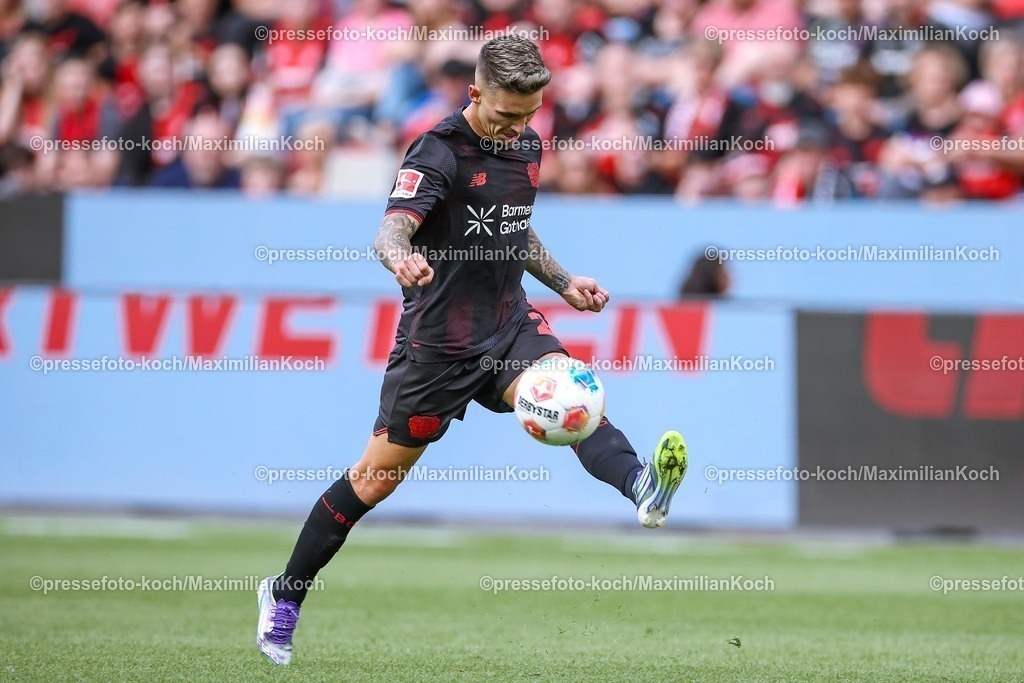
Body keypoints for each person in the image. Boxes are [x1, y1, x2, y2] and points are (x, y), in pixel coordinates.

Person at [255, 36, 689, 667]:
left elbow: (514, 226)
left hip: (508, 323)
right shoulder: (438, 152)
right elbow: (392, 226)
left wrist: (564, 282)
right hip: (438, 346)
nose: (519, 128)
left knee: (570, 395)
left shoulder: (529, 145)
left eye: (531, 113)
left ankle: (640, 485)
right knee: (373, 482)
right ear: (476, 93)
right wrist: (399, 256)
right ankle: (285, 592)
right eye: (507, 114)